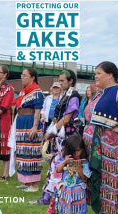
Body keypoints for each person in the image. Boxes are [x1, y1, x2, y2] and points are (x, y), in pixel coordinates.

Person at [83, 61, 118, 214]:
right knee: (100, 181)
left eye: (98, 73)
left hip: (112, 150)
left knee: (112, 183)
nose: (95, 76)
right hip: (96, 149)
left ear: (110, 74)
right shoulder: (99, 94)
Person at [30, 69, 80, 204]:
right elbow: (58, 118)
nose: (60, 83)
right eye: (60, 80)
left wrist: (51, 132)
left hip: (68, 136)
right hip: (59, 136)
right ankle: (48, 197)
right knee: (55, 165)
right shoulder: (65, 96)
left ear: (71, 81)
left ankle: (62, 198)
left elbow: (67, 118)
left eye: (63, 80)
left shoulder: (73, 96)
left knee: (64, 165)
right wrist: (53, 131)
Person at [11, 68, 44, 191]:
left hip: (30, 123)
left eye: (25, 75)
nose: (22, 77)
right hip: (21, 123)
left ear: (32, 78)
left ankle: (34, 185)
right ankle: (26, 181)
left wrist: (35, 127)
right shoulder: (23, 92)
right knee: (23, 152)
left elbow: (37, 111)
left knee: (31, 152)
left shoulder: (37, 92)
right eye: (21, 75)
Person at [50, 135, 92, 214]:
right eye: (73, 151)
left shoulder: (84, 163)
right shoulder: (64, 159)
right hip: (65, 189)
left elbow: (85, 177)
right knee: (63, 205)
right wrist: (64, 162)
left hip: (78, 190)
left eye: (78, 150)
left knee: (78, 207)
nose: (76, 153)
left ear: (82, 150)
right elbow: (58, 170)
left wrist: (80, 169)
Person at [40, 82, 62, 156]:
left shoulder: (62, 98)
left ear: (60, 89)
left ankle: (56, 153)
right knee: (47, 137)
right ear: (52, 89)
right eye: (54, 88)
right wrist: (42, 117)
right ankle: (46, 153)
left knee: (56, 136)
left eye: (57, 88)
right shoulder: (47, 98)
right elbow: (43, 109)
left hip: (57, 121)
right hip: (48, 120)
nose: (55, 89)